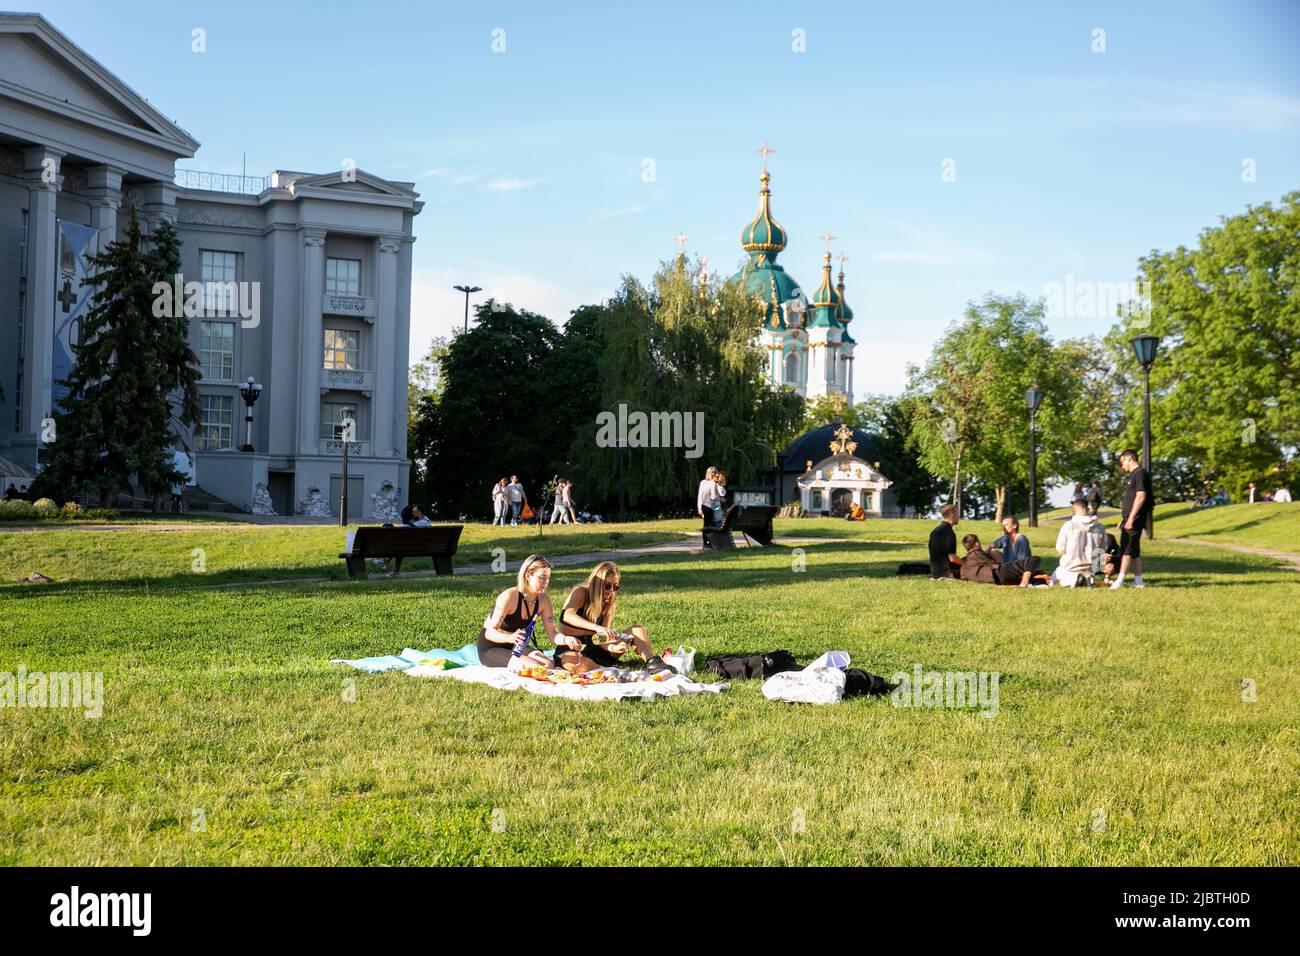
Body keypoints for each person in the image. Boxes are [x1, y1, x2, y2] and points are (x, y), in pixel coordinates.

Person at [554, 560, 671, 674]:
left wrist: (614, 648)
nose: (611, 591)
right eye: (607, 586)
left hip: (597, 651)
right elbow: (567, 616)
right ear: (597, 583)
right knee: (576, 663)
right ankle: (610, 668)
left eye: (615, 587)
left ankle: (653, 663)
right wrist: (597, 628)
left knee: (637, 630)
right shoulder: (581, 592)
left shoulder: (608, 603)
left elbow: (602, 639)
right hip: (572, 649)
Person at [477, 554, 559, 669]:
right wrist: (510, 637)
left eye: (548, 577)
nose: (546, 582)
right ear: (528, 576)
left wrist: (567, 639)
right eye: (542, 577)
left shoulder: (543, 600)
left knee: (549, 664)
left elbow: (552, 634)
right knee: (535, 666)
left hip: (516, 645)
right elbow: (489, 633)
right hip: (491, 647)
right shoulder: (509, 596)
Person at [1111, 448, 1152, 589]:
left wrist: (1131, 518)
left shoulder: (1140, 474)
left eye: (1123, 462)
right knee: (1134, 550)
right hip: (1129, 518)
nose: (1122, 466)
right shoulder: (1134, 475)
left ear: (1129, 459)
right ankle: (1138, 580)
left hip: (1135, 518)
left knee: (1127, 548)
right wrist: (1124, 519)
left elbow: (1141, 496)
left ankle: (1120, 580)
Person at [1051, 499, 1105, 587]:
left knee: (1053, 579)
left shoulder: (1068, 526)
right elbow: (1102, 549)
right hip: (1091, 568)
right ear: (1088, 509)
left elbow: (1060, 548)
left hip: (1071, 566)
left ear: (1074, 509)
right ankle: (1087, 578)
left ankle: (1075, 579)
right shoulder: (1099, 527)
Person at [961, 534, 1040, 587]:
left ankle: (1027, 580)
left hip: (992, 578)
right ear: (977, 544)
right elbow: (995, 565)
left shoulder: (966, 559)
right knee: (1033, 560)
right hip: (997, 574)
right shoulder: (978, 554)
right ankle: (1023, 584)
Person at [928, 503, 961, 579]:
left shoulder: (934, 531)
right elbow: (952, 558)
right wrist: (964, 563)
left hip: (934, 572)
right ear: (952, 515)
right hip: (947, 573)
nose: (958, 516)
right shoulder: (949, 533)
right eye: (957, 514)